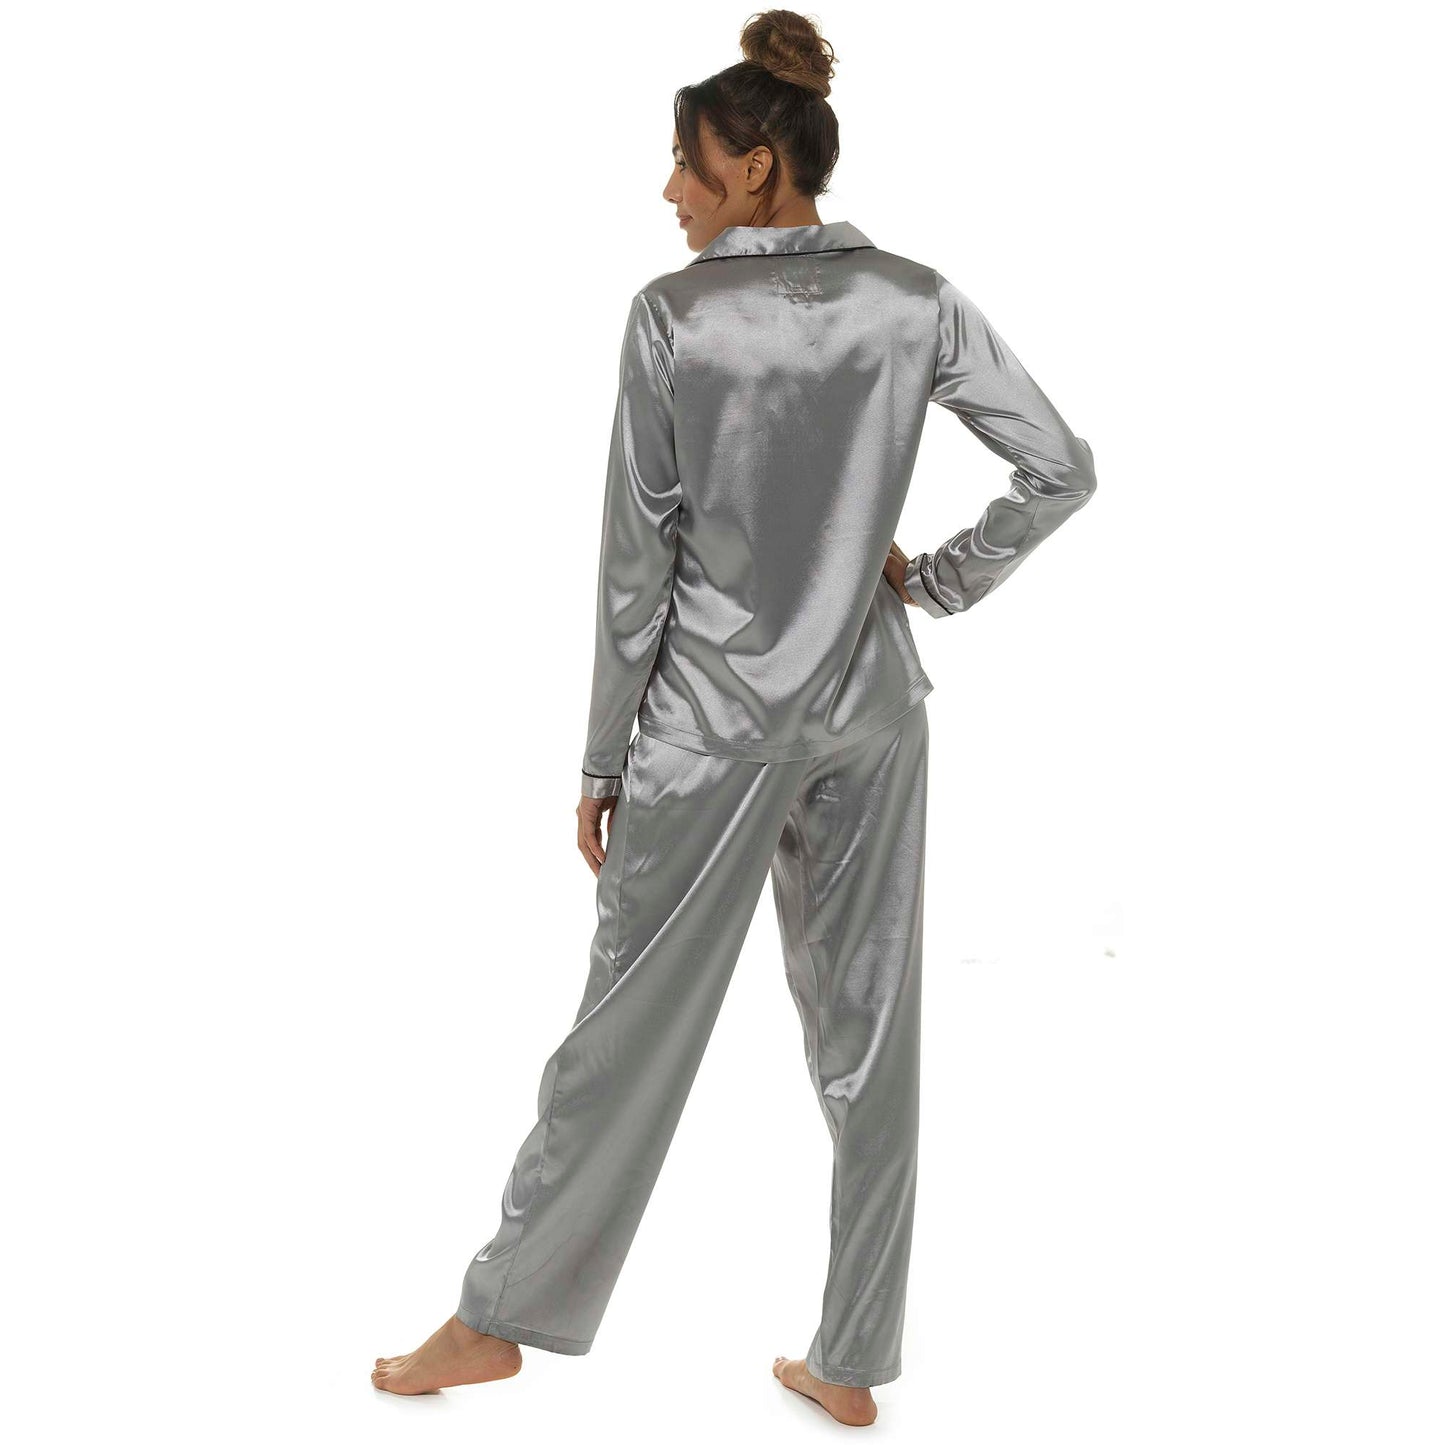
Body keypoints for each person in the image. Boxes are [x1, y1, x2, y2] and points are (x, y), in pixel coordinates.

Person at [372, 8, 1096, 1428]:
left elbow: (634, 563)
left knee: (623, 1030)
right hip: (871, 709)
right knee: (871, 1036)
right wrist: (936, 583)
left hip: (710, 724)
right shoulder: (915, 298)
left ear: (755, 165)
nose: (667, 188)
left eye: (683, 160)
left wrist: (601, 757)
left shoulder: (673, 315)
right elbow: (1059, 467)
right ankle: (851, 1356)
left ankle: (496, 1317)